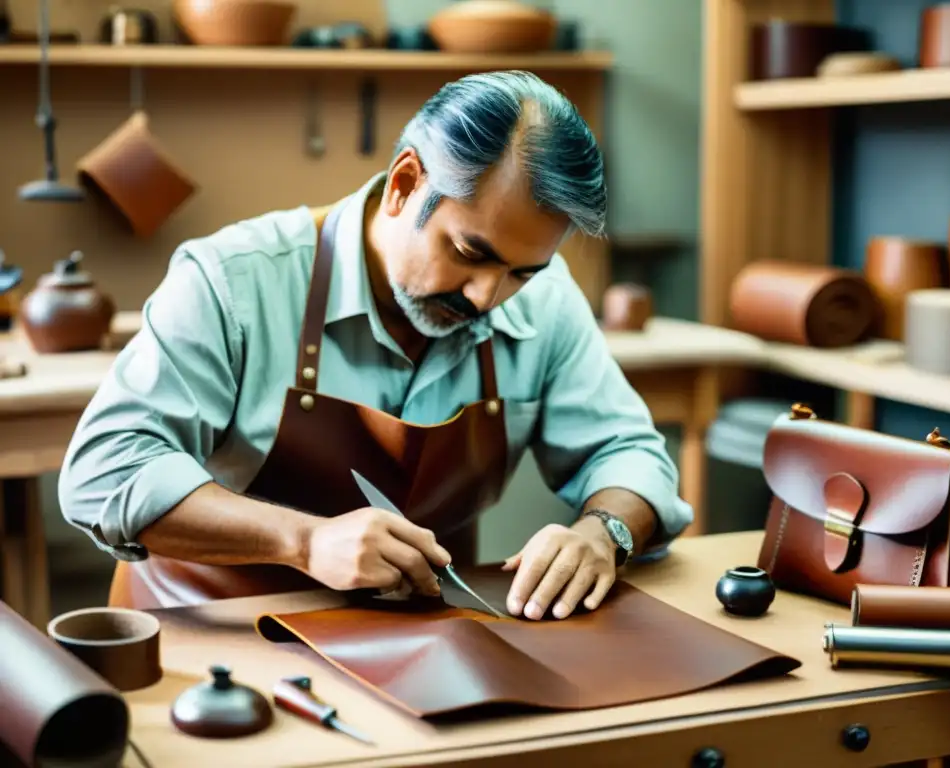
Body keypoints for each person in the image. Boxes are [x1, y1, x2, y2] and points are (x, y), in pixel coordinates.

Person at [58, 70, 693, 621]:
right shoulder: (236, 279)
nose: (486, 297)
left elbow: (627, 450)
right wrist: (303, 542)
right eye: (470, 252)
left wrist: (603, 531)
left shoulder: (545, 301)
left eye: (523, 271)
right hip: (212, 632)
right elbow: (105, 469)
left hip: (421, 637)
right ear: (404, 183)